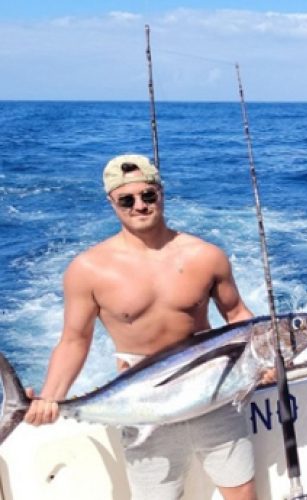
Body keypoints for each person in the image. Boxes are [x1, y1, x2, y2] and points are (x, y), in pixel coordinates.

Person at [23, 154, 259, 500]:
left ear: (160, 193)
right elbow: (74, 340)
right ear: (111, 202)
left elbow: (237, 314)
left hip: (214, 395)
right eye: (126, 199)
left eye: (148, 195)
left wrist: (264, 359)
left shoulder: (205, 255)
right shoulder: (88, 269)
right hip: (141, 405)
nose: (140, 206)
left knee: (243, 494)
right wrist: (50, 398)